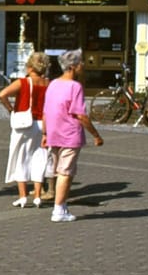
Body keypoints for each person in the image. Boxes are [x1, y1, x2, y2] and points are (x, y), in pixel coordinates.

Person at [43, 49, 104, 223]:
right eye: (80, 63)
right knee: (66, 173)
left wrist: (45, 133)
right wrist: (96, 135)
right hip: (69, 134)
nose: (83, 66)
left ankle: (61, 206)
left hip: (54, 132)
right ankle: (59, 209)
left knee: (58, 171)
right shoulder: (75, 86)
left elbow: (46, 111)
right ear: (73, 66)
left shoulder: (53, 84)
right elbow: (80, 115)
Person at [0, 51, 51, 207]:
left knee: (21, 158)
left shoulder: (23, 82)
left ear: (29, 67)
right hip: (42, 123)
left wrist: (11, 109)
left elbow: (2, 94)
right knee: (39, 158)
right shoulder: (48, 83)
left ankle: (22, 196)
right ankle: (37, 195)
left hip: (24, 124)